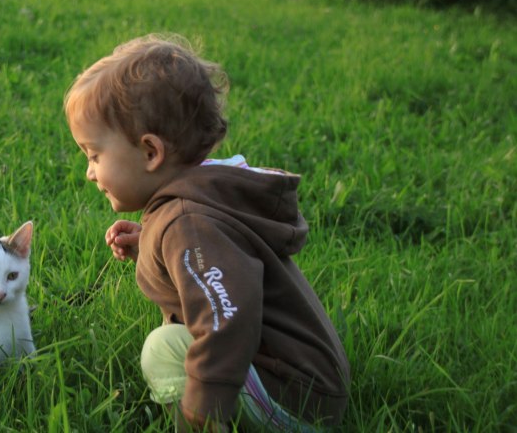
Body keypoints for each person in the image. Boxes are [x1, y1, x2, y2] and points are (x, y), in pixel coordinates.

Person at [64, 33, 350, 432]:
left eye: (94, 155)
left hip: (294, 401)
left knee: (163, 349)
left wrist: (206, 397)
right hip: (309, 389)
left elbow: (227, 313)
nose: (90, 172)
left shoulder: (189, 223)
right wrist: (150, 243)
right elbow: (210, 262)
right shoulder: (200, 198)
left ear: (151, 152)